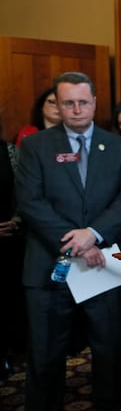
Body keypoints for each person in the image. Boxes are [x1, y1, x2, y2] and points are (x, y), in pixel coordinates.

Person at [15, 71, 121, 410]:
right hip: (48, 267)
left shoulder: (116, 146)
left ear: (95, 103)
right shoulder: (36, 145)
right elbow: (30, 202)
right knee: (45, 357)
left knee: (108, 352)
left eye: (84, 102)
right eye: (68, 103)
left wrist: (94, 234)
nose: (77, 109)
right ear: (57, 104)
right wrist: (79, 243)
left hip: (104, 264)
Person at [0, 117, 25, 379]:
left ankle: (10, 352)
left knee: (9, 299)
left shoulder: (10, 150)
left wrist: (16, 221)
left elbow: (25, 192)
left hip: (10, 238)